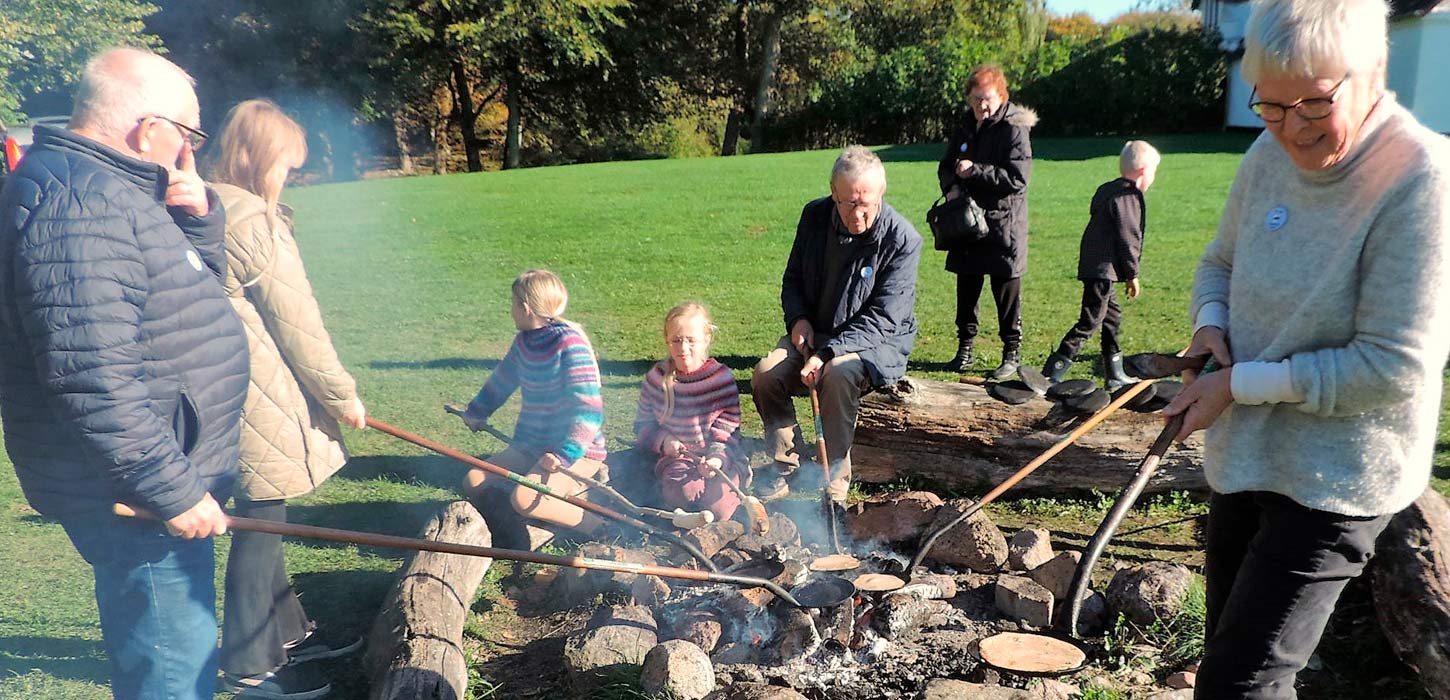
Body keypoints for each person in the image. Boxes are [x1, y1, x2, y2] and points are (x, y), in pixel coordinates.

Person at [1161, 0, 1450, 697]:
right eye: (1271, 106)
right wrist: (1210, 323)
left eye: (1315, 105)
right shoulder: (1267, 152)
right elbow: (1220, 263)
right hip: (1249, 451)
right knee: (1229, 659)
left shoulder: (1422, 180)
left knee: (1241, 685)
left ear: (1373, 73)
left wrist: (1239, 386)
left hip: (1339, 473)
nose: (1292, 130)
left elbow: (1395, 366)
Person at [0, 48, 250, 700]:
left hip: (159, 481)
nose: (190, 149)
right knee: (171, 677)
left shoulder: (113, 191)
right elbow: (90, 376)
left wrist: (198, 223)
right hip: (141, 500)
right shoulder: (81, 204)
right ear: (149, 129)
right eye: (189, 134)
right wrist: (171, 488)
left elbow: (187, 300)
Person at [207, 99, 367, 699]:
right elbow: (298, 324)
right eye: (286, 166)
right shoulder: (252, 221)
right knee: (260, 517)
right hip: (254, 390)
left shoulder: (201, 201)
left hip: (214, 384)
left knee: (262, 505)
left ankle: (289, 630)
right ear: (258, 158)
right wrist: (342, 395)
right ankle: (249, 664)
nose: (288, 179)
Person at [752, 145, 923, 504]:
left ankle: (834, 483)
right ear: (833, 193)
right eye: (848, 203)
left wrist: (828, 352)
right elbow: (793, 278)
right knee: (766, 374)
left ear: (881, 193)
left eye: (866, 203)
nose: (857, 213)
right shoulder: (814, 216)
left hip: (875, 343)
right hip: (817, 330)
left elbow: (884, 318)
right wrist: (798, 320)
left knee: (839, 374)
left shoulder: (902, 240)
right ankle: (787, 463)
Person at [450, 269, 608, 540]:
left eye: (512, 304)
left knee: (525, 498)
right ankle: (515, 526)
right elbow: (502, 380)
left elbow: (589, 411)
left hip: (576, 453)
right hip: (531, 446)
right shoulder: (524, 343)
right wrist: (477, 412)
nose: (510, 311)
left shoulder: (569, 344)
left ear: (524, 308)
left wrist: (565, 454)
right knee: (474, 480)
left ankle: (601, 528)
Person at [937, 64, 1037, 379]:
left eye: (988, 98)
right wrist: (951, 186)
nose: (983, 105)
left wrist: (974, 171)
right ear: (968, 99)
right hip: (967, 224)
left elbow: (1018, 178)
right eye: (977, 99)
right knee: (966, 286)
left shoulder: (1013, 128)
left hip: (1003, 223)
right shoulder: (966, 126)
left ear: (1001, 96)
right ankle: (964, 350)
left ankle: (1011, 353)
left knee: (1005, 290)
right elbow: (945, 165)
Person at [1041, 140, 1161, 389]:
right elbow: (1129, 236)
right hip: (1102, 270)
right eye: (1153, 172)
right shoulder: (1127, 197)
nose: (1153, 178)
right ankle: (1055, 369)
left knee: (1111, 318)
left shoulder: (1109, 190)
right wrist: (1132, 274)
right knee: (1091, 320)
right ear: (1143, 171)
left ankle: (1114, 372)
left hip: (1098, 268)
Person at [634, 302, 745, 522]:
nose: (683, 348)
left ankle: (736, 483)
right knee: (685, 493)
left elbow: (727, 429)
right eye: (676, 340)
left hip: (718, 456)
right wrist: (664, 441)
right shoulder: (657, 379)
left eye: (691, 340)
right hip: (678, 458)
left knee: (720, 508)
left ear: (706, 339)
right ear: (667, 341)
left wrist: (716, 459)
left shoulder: (720, 379)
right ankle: (686, 514)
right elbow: (642, 426)